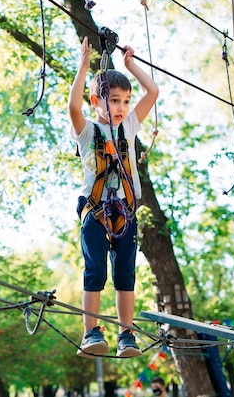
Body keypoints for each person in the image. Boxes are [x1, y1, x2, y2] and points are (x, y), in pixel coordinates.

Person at [68, 36, 159, 357]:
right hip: (94, 212)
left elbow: (153, 92)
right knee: (96, 272)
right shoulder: (87, 132)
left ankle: (126, 335)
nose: (122, 108)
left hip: (126, 213)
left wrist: (131, 66)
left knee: (125, 275)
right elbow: (73, 106)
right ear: (97, 101)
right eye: (115, 101)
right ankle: (90, 332)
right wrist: (82, 66)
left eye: (126, 101)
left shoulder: (130, 127)